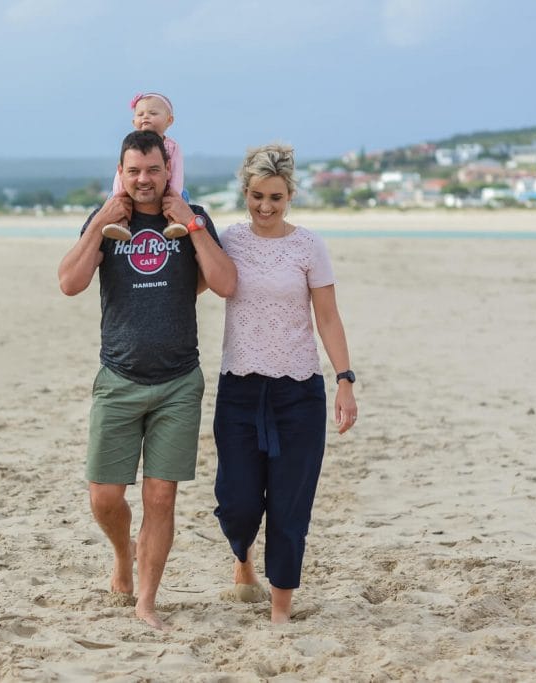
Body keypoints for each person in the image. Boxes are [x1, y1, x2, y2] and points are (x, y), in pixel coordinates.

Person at [58, 129, 237, 630]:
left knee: (161, 496)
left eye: (153, 170)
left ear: (167, 170)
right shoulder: (106, 219)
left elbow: (226, 284)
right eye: (134, 170)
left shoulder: (191, 217)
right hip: (118, 377)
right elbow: (70, 283)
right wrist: (98, 226)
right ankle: (123, 555)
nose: (144, 179)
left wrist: (193, 227)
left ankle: (147, 601)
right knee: (105, 497)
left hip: (179, 380)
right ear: (121, 171)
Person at [213, 143, 358, 624]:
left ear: (290, 194)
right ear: (246, 193)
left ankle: (280, 610)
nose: (266, 207)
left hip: (298, 392)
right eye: (257, 196)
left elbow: (330, 318)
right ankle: (242, 560)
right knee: (236, 501)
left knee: (289, 503)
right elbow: (199, 281)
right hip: (239, 390)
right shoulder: (230, 240)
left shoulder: (309, 246)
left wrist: (344, 380)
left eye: (275, 197)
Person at [102, 92, 190, 242]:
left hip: (168, 189)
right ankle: (120, 223)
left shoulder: (172, 147)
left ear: (169, 120)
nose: (145, 117)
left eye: (153, 113)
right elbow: (121, 175)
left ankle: (174, 222)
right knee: (112, 199)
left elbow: (177, 172)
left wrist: (173, 194)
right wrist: (119, 194)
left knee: (184, 197)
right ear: (133, 121)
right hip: (130, 191)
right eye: (140, 114)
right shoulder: (131, 145)